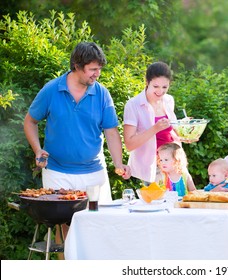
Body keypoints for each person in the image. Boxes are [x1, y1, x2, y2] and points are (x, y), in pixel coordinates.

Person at [24, 42, 131, 248]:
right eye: (92, 69)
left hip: (93, 174)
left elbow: (111, 131)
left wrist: (119, 162)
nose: (97, 74)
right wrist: (37, 149)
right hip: (57, 172)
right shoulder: (52, 90)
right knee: (64, 231)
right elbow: (30, 121)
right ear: (76, 65)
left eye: (99, 69)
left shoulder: (101, 94)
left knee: (99, 228)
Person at [123, 62, 180, 184]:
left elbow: (171, 132)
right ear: (147, 82)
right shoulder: (133, 105)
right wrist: (154, 128)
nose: (160, 91)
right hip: (152, 168)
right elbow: (129, 144)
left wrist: (185, 134)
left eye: (165, 87)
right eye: (156, 86)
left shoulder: (169, 100)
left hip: (174, 164)